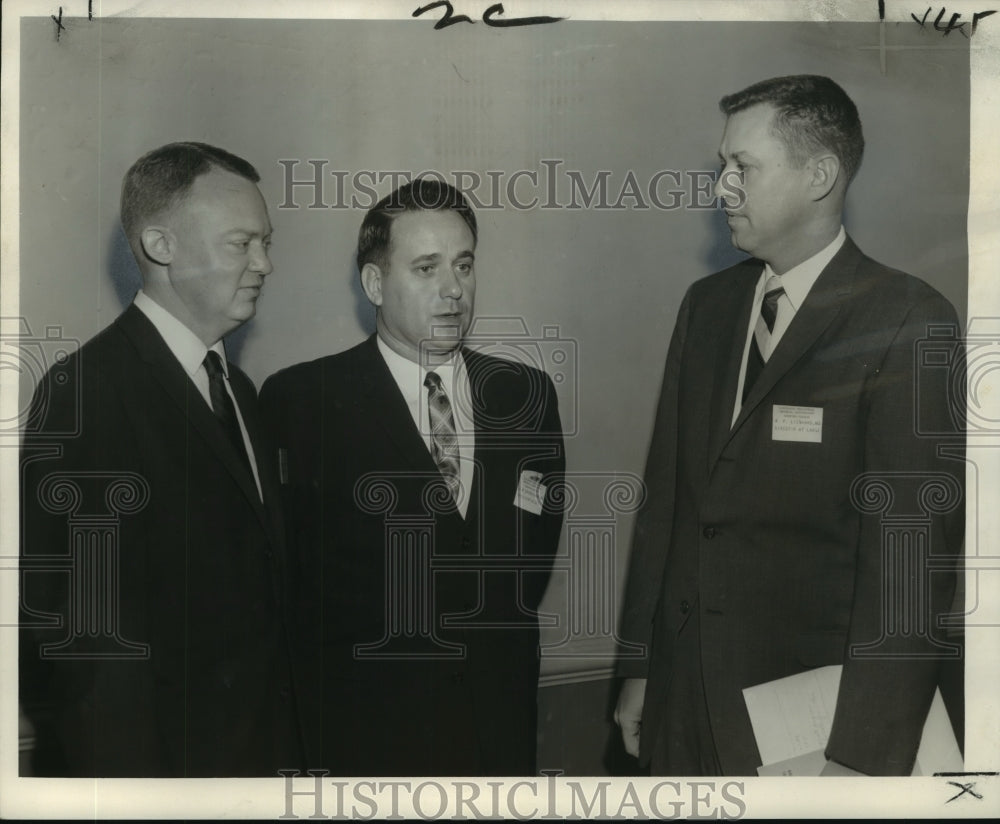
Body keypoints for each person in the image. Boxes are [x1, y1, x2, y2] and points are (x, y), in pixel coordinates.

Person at [614, 75, 965, 777]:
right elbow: (670, 505)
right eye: (722, 167)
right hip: (682, 704)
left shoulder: (904, 319)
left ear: (820, 175)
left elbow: (907, 565)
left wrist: (863, 756)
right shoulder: (707, 306)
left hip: (813, 719)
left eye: (743, 168)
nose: (722, 189)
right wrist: (641, 668)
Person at [260, 178, 566, 776]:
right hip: (364, 742)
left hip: (495, 736)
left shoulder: (526, 394)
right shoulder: (303, 402)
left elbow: (529, 566)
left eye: (464, 265)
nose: (454, 290)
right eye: (426, 269)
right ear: (375, 284)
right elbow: (290, 589)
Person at [19, 142, 304, 777]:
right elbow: (83, 654)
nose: (264, 263)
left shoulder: (241, 391)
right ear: (159, 245)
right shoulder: (87, 393)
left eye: (266, 242)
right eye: (241, 243)